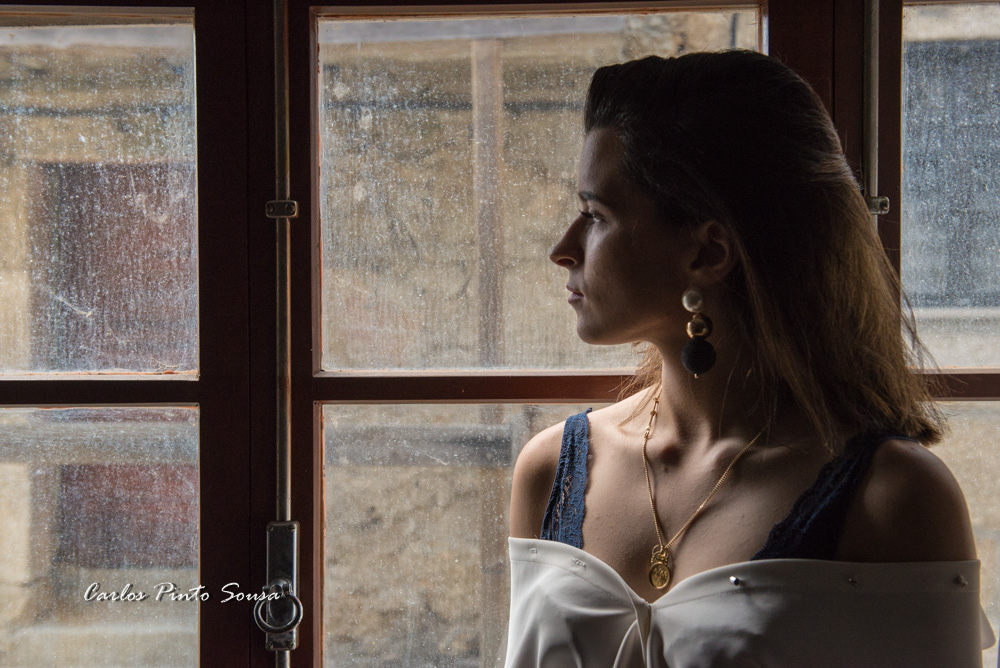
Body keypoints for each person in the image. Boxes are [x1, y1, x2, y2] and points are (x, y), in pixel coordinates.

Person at [505, 50, 996, 667]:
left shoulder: (893, 499)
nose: (562, 248)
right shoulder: (550, 471)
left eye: (595, 215)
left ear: (708, 253)